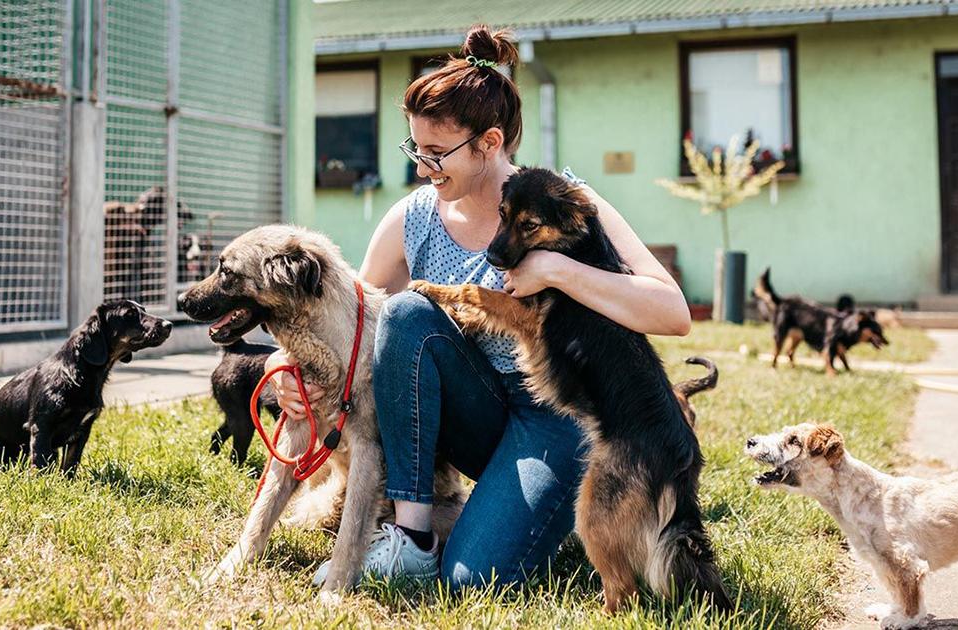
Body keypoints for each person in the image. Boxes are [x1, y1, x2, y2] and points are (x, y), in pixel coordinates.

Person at [265, 25, 691, 591]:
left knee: (474, 578)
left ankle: (528, 511)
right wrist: (281, 372)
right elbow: (352, 326)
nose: (422, 166)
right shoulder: (412, 217)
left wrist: (557, 269)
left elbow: (672, 312)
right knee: (405, 313)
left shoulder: (562, 201)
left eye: (437, 152)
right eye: (415, 149)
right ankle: (412, 536)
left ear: (490, 142)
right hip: (470, 412)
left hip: (557, 419)